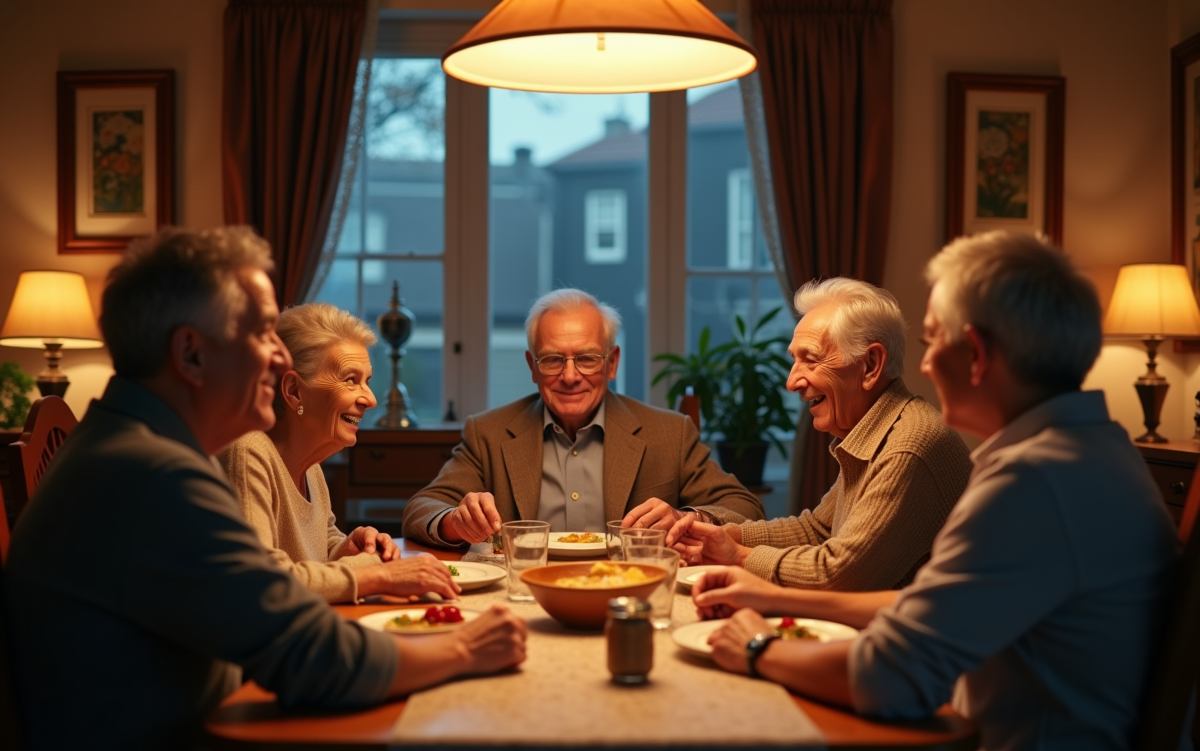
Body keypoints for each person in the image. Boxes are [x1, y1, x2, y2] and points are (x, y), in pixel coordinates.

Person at [3, 227, 526, 751]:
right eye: (260, 332)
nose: (280, 356)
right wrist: (466, 647)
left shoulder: (130, 449)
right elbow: (311, 656)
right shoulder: (157, 476)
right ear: (191, 354)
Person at [694, 231, 1186, 751]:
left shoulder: (1030, 483)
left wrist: (758, 649)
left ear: (976, 353)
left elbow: (889, 679)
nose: (924, 362)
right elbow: (931, 606)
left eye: (931, 341)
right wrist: (775, 597)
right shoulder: (1093, 450)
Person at [667, 278, 972, 590]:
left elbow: (839, 574)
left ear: (870, 365)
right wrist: (726, 533)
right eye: (794, 360)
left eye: (810, 360)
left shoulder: (908, 445)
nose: (792, 382)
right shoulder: (879, 427)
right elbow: (819, 529)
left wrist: (741, 557)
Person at [402, 288, 763, 547]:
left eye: (587, 358)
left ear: (612, 363)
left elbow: (746, 509)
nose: (571, 376)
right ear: (533, 367)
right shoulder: (489, 433)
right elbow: (421, 509)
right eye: (553, 359)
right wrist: (456, 522)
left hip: (631, 593)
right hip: (523, 596)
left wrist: (689, 518)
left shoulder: (669, 433)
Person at [219, 303, 458, 603]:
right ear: (294, 391)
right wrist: (378, 575)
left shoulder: (311, 466)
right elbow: (261, 582)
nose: (370, 400)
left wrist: (346, 548)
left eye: (367, 381)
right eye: (350, 380)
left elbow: (317, 550)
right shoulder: (248, 452)